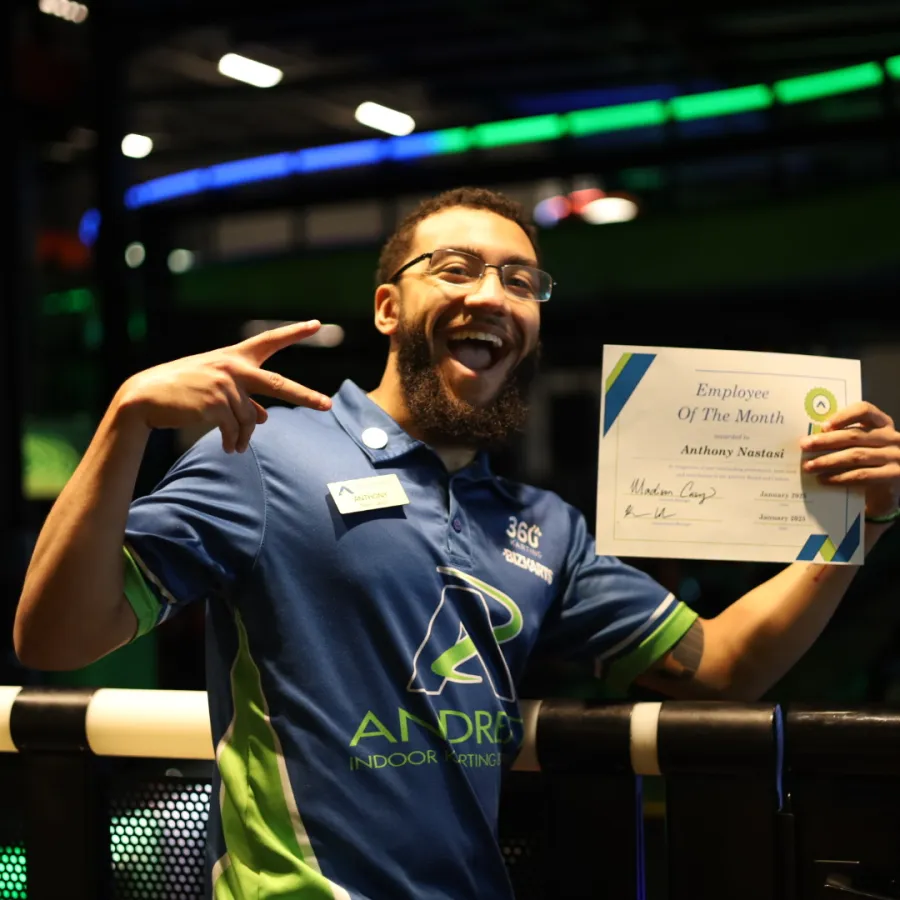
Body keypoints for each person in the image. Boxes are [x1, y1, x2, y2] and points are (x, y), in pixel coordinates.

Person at [14, 186, 900, 900]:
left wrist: (859, 518)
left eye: (522, 281)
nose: (492, 294)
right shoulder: (267, 452)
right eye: (458, 269)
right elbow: (55, 638)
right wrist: (125, 418)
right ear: (390, 307)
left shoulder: (543, 526)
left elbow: (721, 668)